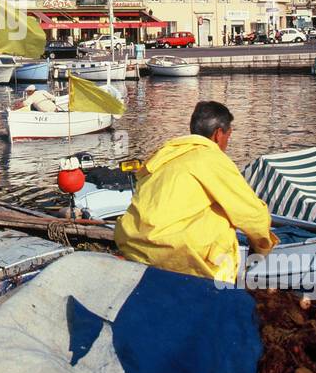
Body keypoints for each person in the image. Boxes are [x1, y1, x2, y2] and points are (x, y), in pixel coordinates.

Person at [115, 100, 276, 284]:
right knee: (225, 218)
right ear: (218, 134)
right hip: (175, 254)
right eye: (228, 137)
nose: (227, 144)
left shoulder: (165, 155)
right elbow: (252, 214)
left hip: (133, 244)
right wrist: (261, 248)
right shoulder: (211, 157)